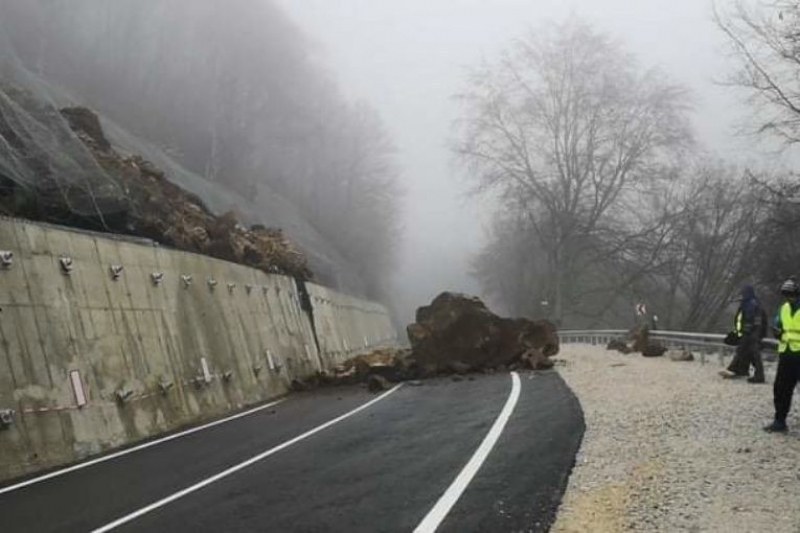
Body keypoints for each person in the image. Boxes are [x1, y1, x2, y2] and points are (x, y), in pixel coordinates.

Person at [764, 278, 800, 433]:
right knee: (781, 389)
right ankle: (780, 421)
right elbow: (778, 323)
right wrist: (776, 331)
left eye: (792, 294)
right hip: (786, 353)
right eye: (786, 294)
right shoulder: (783, 308)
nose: (789, 297)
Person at [719, 285, 766, 383]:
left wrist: (753, 333)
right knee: (745, 352)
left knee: (751, 354)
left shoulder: (753, 304)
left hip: (751, 334)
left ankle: (757, 375)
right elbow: (742, 320)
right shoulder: (746, 304)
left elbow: (756, 321)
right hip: (746, 333)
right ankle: (740, 370)